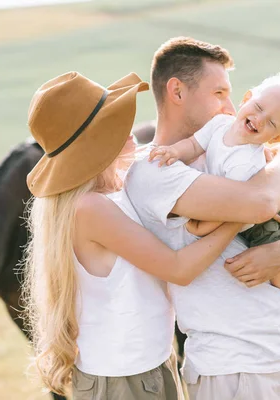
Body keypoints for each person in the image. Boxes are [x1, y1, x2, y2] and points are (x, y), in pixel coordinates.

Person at [22, 71, 244, 400]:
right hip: (124, 380)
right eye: (115, 122)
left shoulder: (113, 192)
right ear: (95, 143)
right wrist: (238, 217)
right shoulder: (90, 209)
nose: (131, 128)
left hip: (147, 365)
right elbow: (178, 268)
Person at [124, 37, 280, 399]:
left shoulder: (225, 154)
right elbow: (261, 203)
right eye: (219, 93)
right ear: (177, 92)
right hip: (232, 365)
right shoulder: (152, 170)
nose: (230, 106)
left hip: (279, 353)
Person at [148, 70, 280, 327]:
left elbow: (235, 210)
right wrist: (174, 151)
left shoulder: (247, 163)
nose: (259, 120)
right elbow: (195, 145)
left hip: (270, 216)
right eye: (259, 107)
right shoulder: (219, 125)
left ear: (277, 138)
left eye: (272, 123)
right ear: (246, 98)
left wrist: (201, 226)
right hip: (253, 205)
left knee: (279, 275)